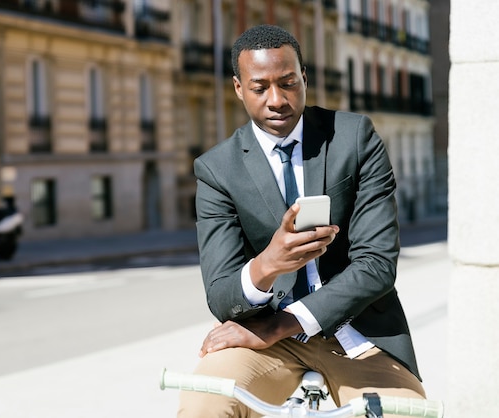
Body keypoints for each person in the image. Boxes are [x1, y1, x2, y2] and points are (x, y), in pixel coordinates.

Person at [178, 24, 425, 417]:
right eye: (260, 88)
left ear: (304, 78)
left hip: (357, 332)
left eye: (288, 83)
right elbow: (222, 295)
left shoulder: (353, 137)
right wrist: (267, 264)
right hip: (263, 340)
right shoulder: (216, 170)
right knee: (206, 400)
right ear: (239, 88)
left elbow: (377, 265)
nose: (277, 100)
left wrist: (282, 324)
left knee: (401, 413)